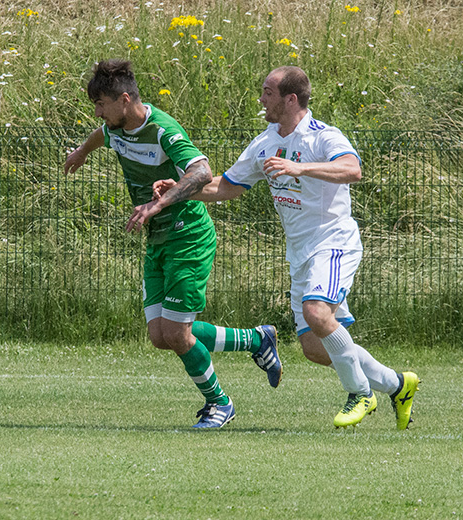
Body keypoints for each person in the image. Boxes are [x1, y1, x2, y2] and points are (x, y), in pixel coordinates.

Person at [129, 66, 419, 429]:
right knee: (316, 348)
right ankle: (397, 385)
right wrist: (178, 190)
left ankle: (360, 392)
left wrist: (300, 169)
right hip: (300, 253)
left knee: (316, 312)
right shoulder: (264, 142)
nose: (261, 99)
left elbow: (352, 169)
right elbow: (226, 187)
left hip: (333, 242)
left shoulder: (322, 136)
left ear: (290, 99)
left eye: (268, 92)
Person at [63, 59, 282, 429]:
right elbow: (103, 134)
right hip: (158, 235)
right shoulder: (115, 127)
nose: (98, 113)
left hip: (188, 234)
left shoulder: (163, 130)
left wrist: (160, 202)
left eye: (101, 105)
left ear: (125, 99)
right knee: (160, 335)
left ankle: (220, 404)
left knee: (177, 333)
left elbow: (202, 172)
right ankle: (256, 339)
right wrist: (82, 152)